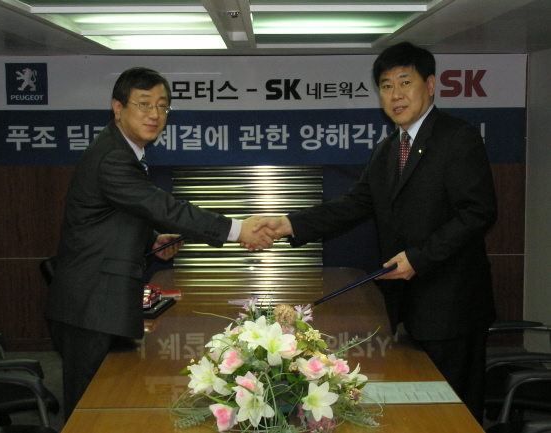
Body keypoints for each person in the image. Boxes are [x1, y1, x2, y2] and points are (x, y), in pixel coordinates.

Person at [252, 42, 497, 423]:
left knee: (455, 415)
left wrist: (419, 258)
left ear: (431, 85)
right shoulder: (388, 150)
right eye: (386, 85)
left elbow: (479, 212)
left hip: (454, 308)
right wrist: (290, 224)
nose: (396, 94)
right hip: (409, 306)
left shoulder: (457, 137)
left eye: (405, 82)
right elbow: (353, 204)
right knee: (422, 413)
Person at [45, 66, 275, 421]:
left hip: (97, 301)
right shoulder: (113, 156)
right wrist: (236, 229)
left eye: (162, 106)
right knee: (89, 411)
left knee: (109, 402)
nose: (154, 114)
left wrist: (151, 240)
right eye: (144, 104)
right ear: (118, 108)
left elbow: (115, 217)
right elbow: (163, 208)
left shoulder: (120, 149)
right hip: (91, 306)